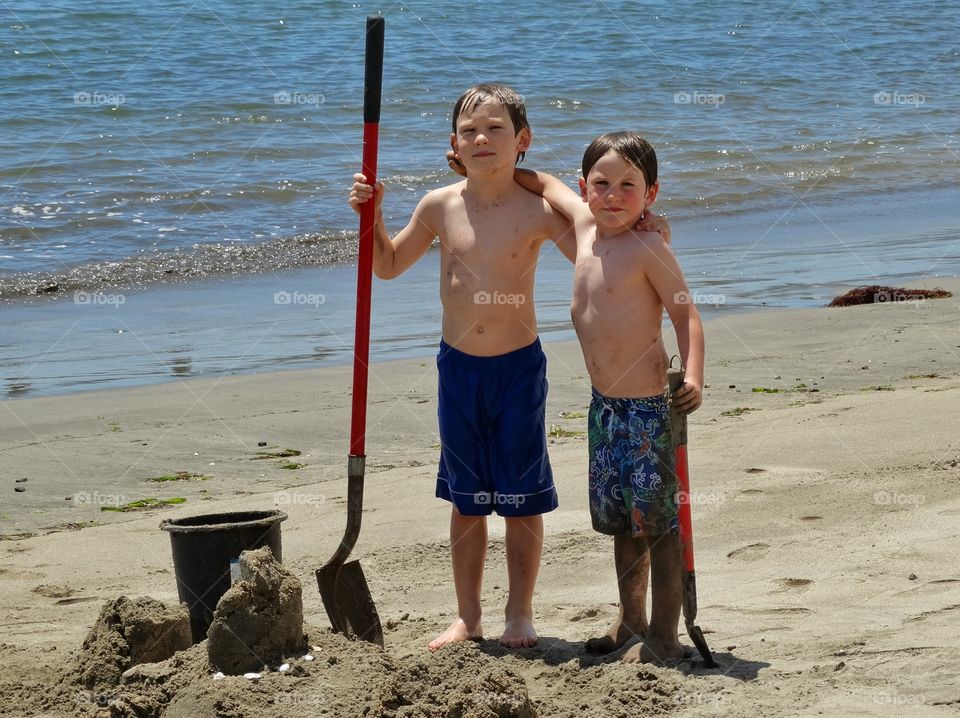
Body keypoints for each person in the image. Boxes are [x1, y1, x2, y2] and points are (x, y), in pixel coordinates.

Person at [349, 83, 577, 650]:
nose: (482, 139)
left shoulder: (538, 211)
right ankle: (468, 616)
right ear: (454, 142)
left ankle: (519, 613)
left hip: (518, 371)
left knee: (521, 500)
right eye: (470, 130)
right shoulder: (438, 205)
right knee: (466, 499)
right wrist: (372, 216)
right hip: (458, 371)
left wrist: (642, 232)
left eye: (496, 129)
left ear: (522, 140)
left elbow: (595, 251)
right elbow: (387, 265)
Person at [512, 131, 704, 663]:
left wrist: (693, 376)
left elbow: (686, 314)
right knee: (621, 522)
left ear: (652, 194)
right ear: (585, 186)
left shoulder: (649, 247)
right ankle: (630, 620)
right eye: (602, 184)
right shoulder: (582, 225)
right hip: (605, 411)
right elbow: (543, 182)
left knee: (659, 526)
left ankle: (665, 634)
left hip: (647, 411)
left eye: (629, 186)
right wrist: (489, 168)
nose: (614, 194)